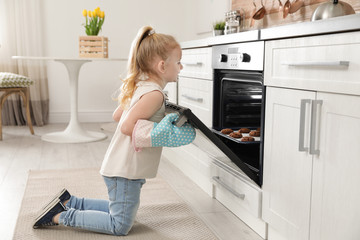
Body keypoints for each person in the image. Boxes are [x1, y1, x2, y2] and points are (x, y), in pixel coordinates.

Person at [32, 26, 195, 235]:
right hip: (125, 170)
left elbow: (118, 115)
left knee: (123, 212)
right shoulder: (155, 95)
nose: (181, 67)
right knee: (119, 225)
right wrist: (163, 128)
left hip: (123, 166)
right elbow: (126, 125)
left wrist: (152, 120)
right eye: (178, 62)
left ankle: (70, 202)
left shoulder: (142, 86)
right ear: (162, 66)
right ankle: (58, 216)